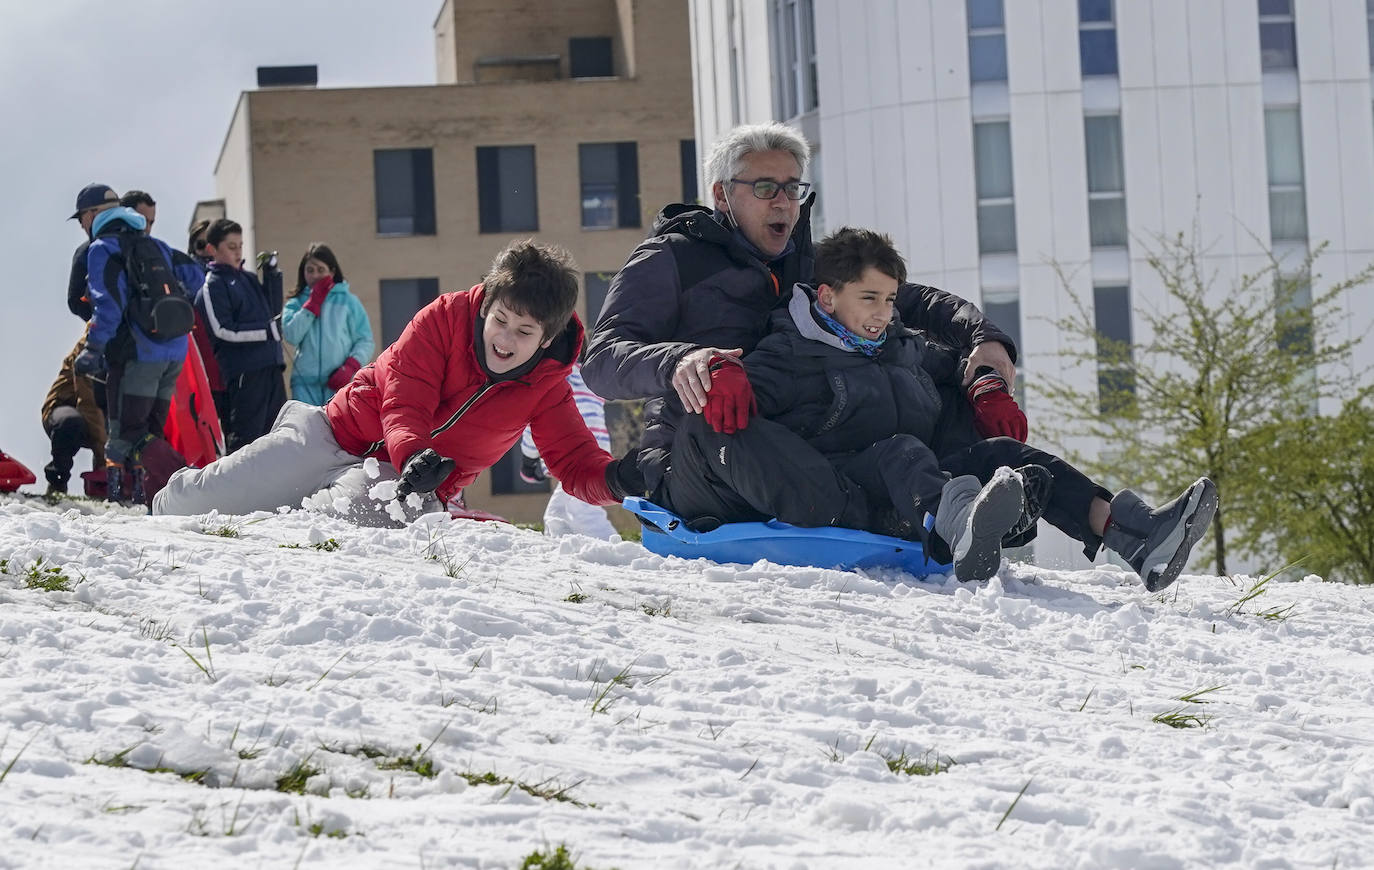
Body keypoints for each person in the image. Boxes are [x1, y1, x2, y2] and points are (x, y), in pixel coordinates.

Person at [667, 227, 1217, 589]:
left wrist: (984, 383)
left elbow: (953, 367)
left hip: (915, 484)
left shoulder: (900, 345)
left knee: (1004, 451)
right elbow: (734, 421)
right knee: (903, 451)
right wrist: (713, 378)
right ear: (827, 297)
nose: (883, 314)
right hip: (842, 487)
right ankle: (963, 533)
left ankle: (1135, 534)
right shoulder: (789, 354)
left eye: (889, 299)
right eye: (869, 299)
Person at [582, 122, 1021, 508]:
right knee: (743, 434)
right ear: (721, 195)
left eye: (792, 187)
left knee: (946, 382)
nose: (783, 202)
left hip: (806, 443)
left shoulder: (809, 264)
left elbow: (909, 299)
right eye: (765, 188)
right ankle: (908, 514)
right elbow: (601, 360)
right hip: (708, 452)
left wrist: (984, 338)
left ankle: (978, 505)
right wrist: (681, 361)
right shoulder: (671, 259)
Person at [154, 240, 638, 525]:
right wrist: (416, 455)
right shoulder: (443, 319)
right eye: (500, 319)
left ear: (547, 336)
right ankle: (160, 503)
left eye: (524, 332)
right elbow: (403, 401)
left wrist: (618, 480)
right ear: (487, 302)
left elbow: (574, 460)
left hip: (402, 483)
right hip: (335, 436)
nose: (505, 339)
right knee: (202, 506)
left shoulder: (547, 382)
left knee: (339, 526)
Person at [74, 203, 205, 503]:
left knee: (130, 431)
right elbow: (196, 276)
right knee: (151, 430)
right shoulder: (157, 245)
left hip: (138, 352)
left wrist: (93, 348)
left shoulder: (103, 249)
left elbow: (108, 303)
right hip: (175, 348)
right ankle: (152, 498)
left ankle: (186, 481)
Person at [196, 218, 287, 452]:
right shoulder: (213, 285)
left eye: (240, 246)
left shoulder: (247, 278)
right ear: (212, 250)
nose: (238, 252)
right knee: (247, 437)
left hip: (270, 365)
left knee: (277, 433)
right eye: (231, 247)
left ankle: (276, 487)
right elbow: (223, 330)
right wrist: (267, 332)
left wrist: (272, 275)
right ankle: (236, 487)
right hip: (244, 371)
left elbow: (271, 312)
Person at [518, 363, 619, 539]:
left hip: (576, 453)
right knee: (558, 512)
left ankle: (614, 550)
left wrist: (528, 461)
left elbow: (533, 428)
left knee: (580, 511)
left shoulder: (547, 379)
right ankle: (569, 550)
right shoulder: (589, 375)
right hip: (598, 448)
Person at [280, 243, 374, 404]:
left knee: (337, 429)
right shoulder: (295, 303)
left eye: (321, 270)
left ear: (332, 271)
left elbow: (365, 340)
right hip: (304, 385)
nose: (315, 275)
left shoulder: (349, 302)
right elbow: (291, 336)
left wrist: (351, 366)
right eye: (310, 270)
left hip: (340, 383)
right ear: (303, 273)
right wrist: (311, 305)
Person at [41, 334, 107, 495]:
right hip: (65, 408)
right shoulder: (91, 346)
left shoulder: (131, 345)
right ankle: (58, 483)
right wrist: (103, 461)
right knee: (70, 422)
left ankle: (115, 488)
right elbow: (89, 405)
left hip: (104, 413)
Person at [66, 183, 121, 321]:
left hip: (111, 335)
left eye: (80, 218)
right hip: (159, 338)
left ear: (91, 214)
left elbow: (75, 301)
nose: (81, 225)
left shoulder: (87, 251)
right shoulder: (151, 244)